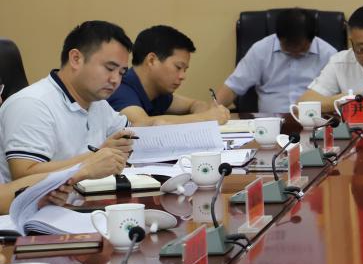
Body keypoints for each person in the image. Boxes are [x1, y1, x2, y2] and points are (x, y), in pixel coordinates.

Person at [0, 21, 136, 183]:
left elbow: (130, 136)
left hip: (84, 196)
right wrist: (93, 159)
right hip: (35, 200)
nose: (115, 80)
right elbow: (24, 175)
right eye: (110, 68)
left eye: (121, 73)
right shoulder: (31, 104)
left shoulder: (97, 102)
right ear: (76, 59)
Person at [216, 7, 338, 114]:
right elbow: (233, 87)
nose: (294, 52)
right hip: (269, 122)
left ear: (312, 39)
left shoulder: (329, 54)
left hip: (314, 121)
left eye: (301, 49)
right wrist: (213, 111)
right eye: (288, 48)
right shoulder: (261, 50)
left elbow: (339, 97)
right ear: (278, 37)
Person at [107, 25, 230, 126]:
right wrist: (205, 118)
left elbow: (196, 104)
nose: (183, 76)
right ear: (152, 60)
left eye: (185, 70)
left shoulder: (157, 92)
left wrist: (206, 113)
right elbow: (142, 124)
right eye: (178, 67)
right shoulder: (120, 88)